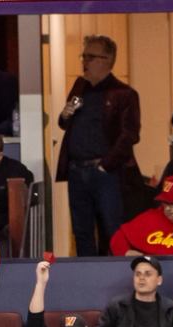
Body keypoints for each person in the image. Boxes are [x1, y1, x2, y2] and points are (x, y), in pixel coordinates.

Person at [57, 36, 142, 256]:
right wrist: (65, 115)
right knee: (81, 230)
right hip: (77, 170)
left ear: (107, 60)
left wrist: (106, 165)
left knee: (112, 229)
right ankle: (86, 273)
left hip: (106, 172)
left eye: (90, 57)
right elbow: (65, 123)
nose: (84, 61)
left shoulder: (124, 94)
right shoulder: (80, 87)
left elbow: (130, 135)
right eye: (83, 56)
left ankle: (114, 272)